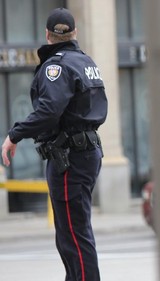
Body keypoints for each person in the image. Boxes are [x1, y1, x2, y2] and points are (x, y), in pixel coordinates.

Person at [1, 8, 107, 281]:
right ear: (75, 33)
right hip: (85, 152)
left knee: (74, 235)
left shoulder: (56, 66)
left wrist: (14, 135)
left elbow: (49, 111)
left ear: (47, 34)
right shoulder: (85, 61)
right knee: (72, 234)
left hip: (70, 156)